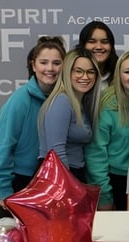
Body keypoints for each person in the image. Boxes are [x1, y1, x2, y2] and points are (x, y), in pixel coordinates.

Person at [0, 36, 65, 218]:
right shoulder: (20, 99)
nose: (50, 69)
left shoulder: (63, 100)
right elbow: (2, 145)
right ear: (33, 65)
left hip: (47, 184)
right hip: (18, 183)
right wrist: (5, 190)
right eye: (44, 62)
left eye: (56, 63)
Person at [85, 51, 129, 211]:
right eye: (127, 72)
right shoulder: (107, 105)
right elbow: (95, 155)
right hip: (115, 181)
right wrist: (105, 195)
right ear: (119, 75)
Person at [38, 49, 101, 182]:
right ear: (67, 73)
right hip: (62, 176)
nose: (85, 77)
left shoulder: (79, 103)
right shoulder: (62, 101)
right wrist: (68, 187)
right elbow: (56, 151)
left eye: (91, 72)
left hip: (73, 173)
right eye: (78, 71)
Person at [76, 21, 118, 88]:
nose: (99, 47)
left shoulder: (120, 75)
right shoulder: (72, 77)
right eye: (92, 42)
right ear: (83, 46)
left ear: (111, 47)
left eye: (104, 42)